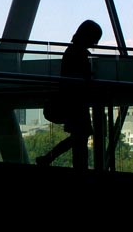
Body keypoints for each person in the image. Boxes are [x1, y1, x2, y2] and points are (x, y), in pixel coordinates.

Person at [36, 20, 102, 169]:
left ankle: (48, 159)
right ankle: (50, 159)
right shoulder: (78, 53)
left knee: (79, 137)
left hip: (72, 102)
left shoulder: (72, 51)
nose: (96, 44)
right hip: (76, 103)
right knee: (80, 137)